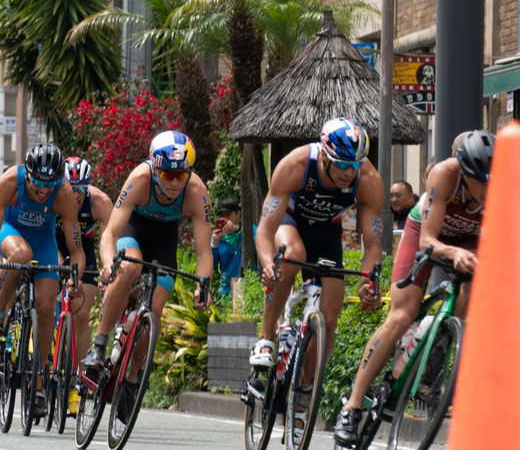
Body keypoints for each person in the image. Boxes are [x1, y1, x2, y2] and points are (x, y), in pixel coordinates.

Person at [334, 129, 492, 447]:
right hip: (426, 231)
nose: (489, 190)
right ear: (464, 171)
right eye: (481, 182)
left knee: (472, 289)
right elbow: (428, 242)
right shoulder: (445, 175)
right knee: (401, 315)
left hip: (469, 239)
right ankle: (352, 405)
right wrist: (455, 253)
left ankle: (437, 344)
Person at [250, 117, 384, 377]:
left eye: (355, 165)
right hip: (290, 222)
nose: (348, 172)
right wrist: (269, 265)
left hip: (326, 233)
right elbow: (265, 230)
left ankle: (306, 392)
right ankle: (265, 338)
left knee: (330, 316)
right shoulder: (295, 165)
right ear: (324, 154)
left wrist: (368, 284)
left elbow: (373, 246)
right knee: (292, 255)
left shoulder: (368, 180)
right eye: (342, 164)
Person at [81, 130, 213, 376]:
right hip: (133, 230)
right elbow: (109, 234)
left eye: (181, 175)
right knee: (130, 267)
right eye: (167, 174)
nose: (174, 183)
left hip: (164, 241)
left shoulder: (196, 191)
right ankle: (99, 346)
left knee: (155, 308)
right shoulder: (140, 178)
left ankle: (134, 377)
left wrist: (202, 287)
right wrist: (109, 264)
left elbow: (204, 251)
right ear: (154, 168)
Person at [0, 142, 85, 418]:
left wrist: (75, 278)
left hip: (44, 241)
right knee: (21, 254)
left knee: (47, 307)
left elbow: (76, 251)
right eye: (36, 182)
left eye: (48, 184)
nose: (42, 190)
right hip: (10, 231)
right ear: (27, 173)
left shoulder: (63, 193)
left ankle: (37, 387)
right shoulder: (9, 182)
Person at [58, 156, 112, 414]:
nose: (76, 195)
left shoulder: (99, 201)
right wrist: (62, 272)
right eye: (72, 188)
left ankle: (77, 380)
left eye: (81, 189)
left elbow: (109, 239)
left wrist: (107, 270)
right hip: (55, 244)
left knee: (80, 313)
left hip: (85, 249)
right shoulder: (55, 197)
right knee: (45, 297)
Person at [211, 197, 243, 298]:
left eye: (228, 215)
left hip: (249, 286)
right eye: (221, 216)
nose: (224, 219)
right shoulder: (217, 239)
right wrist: (214, 245)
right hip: (227, 291)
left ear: (238, 213)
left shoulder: (248, 231)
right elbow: (212, 266)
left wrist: (238, 230)